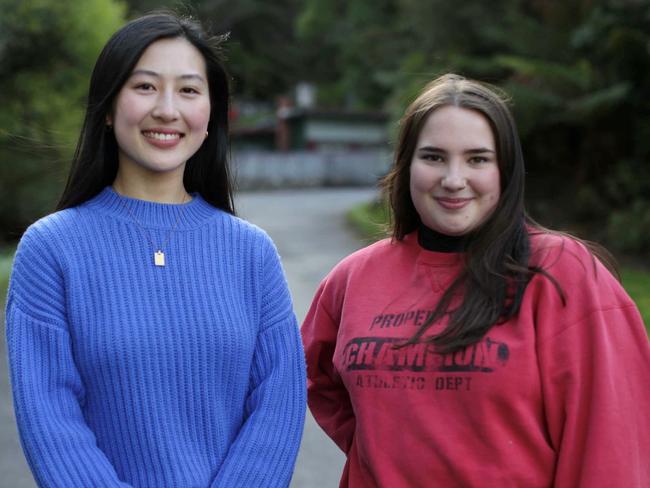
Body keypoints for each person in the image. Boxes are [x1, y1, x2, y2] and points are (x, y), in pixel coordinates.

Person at [301, 73, 650, 487]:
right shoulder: (353, 278)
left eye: (477, 159)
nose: (453, 179)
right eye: (433, 157)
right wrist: (377, 452)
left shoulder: (563, 273)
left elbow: (611, 441)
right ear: (405, 165)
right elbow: (312, 379)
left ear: (506, 170)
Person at [5, 13, 305, 487]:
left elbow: (276, 407)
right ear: (107, 107)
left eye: (188, 90)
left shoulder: (252, 253)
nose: (167, 110)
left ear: (211, 113)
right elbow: (51, 419)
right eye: (144, 87)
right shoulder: (51, 250)